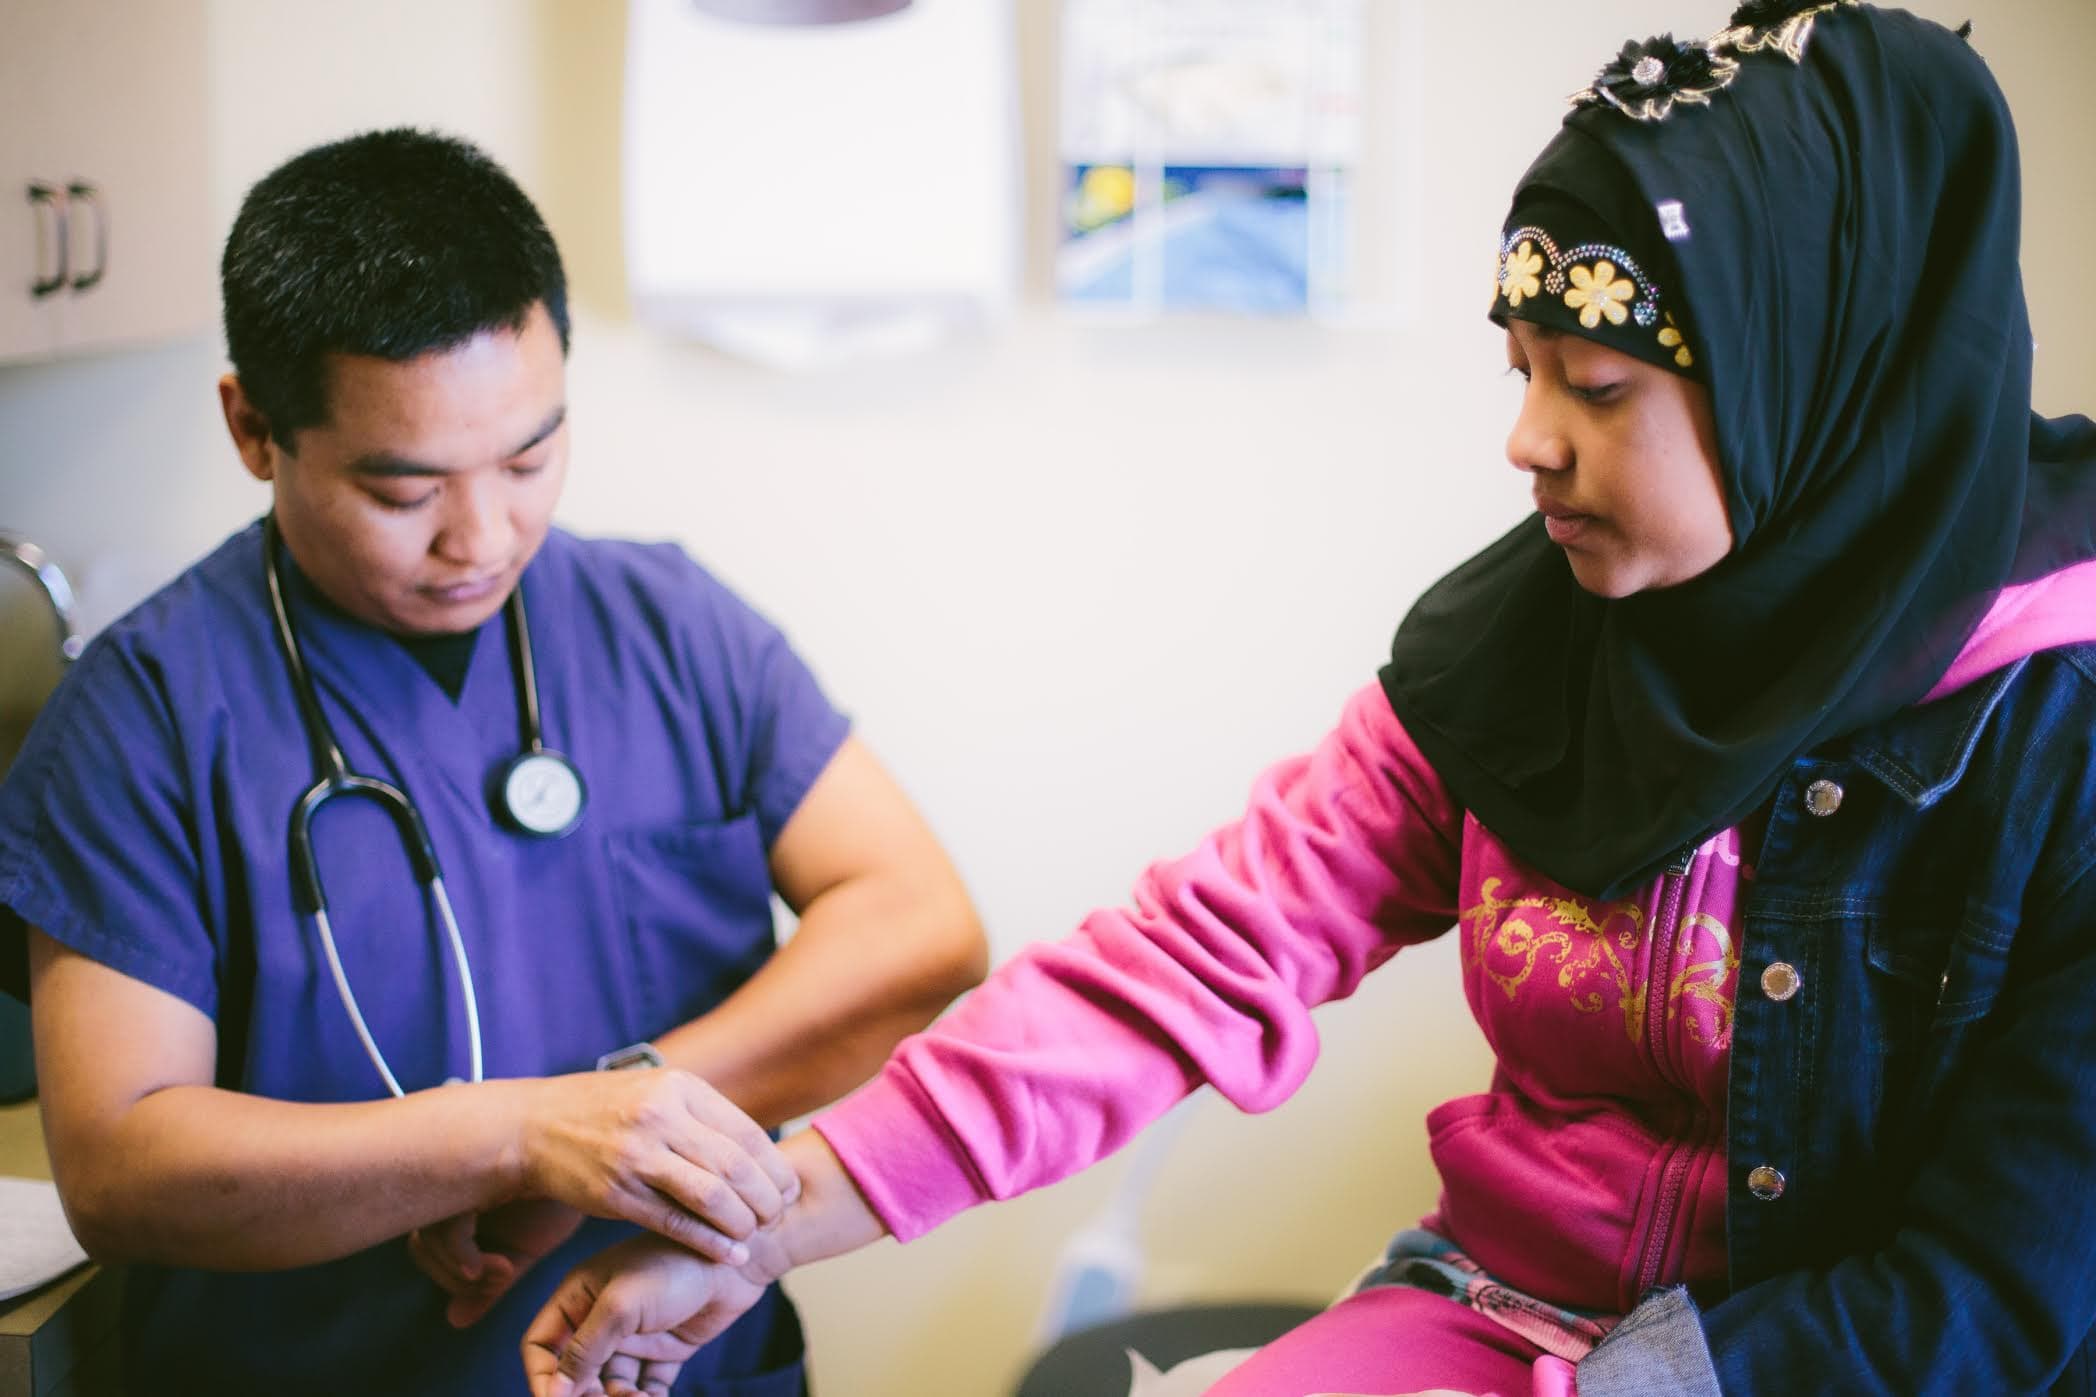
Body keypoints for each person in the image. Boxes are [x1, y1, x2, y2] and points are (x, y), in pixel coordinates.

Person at [520, 3, 2096, 1395]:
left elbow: (1989, 1296)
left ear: (1811, 377)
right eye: (1522, 372)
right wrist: (765, 1226)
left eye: (1598, 388)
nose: (1530, 443)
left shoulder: (2053, 726)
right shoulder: (1521, 659)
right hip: (1495, 1309)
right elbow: (1183, 963)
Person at [0, 128, 988, 1396]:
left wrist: (625, 1108)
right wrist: (515, 1137)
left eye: (528, 458)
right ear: (254, 427)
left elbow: (921, 931)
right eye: (402, 488)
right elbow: (125, 1166)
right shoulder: (143, 713)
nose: (482, 534)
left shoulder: (669, 626)